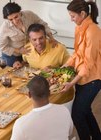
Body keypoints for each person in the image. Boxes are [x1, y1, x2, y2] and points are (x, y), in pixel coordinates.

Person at [60, 1, 101, 140]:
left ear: (82, 14)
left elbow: (88, 63)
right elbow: (77, 53)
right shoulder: (79, 27)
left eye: (73, 16)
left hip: (93, 79)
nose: (71, 19)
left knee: (77, 114)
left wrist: (72, 83)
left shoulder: (93, 31)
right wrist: (66, 65)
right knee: (85, 111)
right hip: (82, 77)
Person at [10, 75, 73, 140]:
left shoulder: (21, 124)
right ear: (49, 93)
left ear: (29, 94)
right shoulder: (64, 110)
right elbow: (70, 133)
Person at [0, 2, 57, 67]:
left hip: (27, 52)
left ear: (20, 12)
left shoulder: (29, 15)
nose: (14, 21)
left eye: (16, 17)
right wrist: (19, 51)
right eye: (11, 19)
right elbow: (1, 46)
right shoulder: (5, 27)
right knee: (16, 71)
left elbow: (43, 24)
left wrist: (51, 38)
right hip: (12, 55)